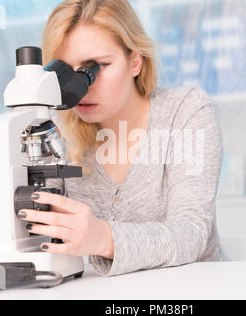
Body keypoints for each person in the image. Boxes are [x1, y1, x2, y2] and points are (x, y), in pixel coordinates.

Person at [17, 0, 225, 277]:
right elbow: (37, 230)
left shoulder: (186, 111)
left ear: (135, 62)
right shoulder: (57, 134)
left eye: (95, 68)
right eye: (66, 71)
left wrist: (104, 238)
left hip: (194, 289)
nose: (81, 88)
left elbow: (192, 234)